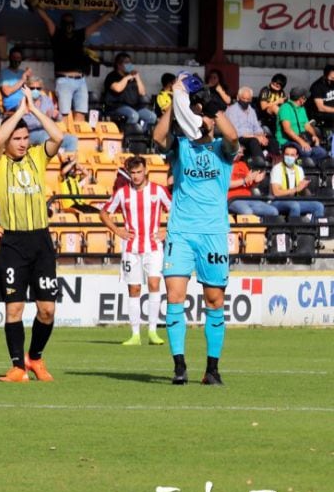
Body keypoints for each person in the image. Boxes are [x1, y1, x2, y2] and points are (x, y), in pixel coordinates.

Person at [152, 75, 238, 385]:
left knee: (214, 300)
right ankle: (179, 366)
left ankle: (212, 369)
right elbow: (158, 136)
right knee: (175, 297)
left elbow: (234, 135)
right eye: (198, 114)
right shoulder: (182, 146)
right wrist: (176, 101)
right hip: (181, 232)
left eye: (206, 116)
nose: (203, 121)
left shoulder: (221, 150)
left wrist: (213, 108)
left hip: (213, 233)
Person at [0, 90, 65, 383]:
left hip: (41, 242)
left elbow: (57, 137)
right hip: (13, 244)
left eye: (24, 138)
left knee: (46, 310)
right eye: (16, 139)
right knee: (14, 307)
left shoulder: (37, 156)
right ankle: (18, 366)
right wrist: (19, 112)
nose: (22, 143)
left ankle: (35, 357)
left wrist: (35, 111)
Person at [98, 155, 171, 345]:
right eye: (133, 173)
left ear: (145, 170)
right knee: (134, 288)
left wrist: (168, 230)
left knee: (155, 285)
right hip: (131, 248)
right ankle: (135, 334)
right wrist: (117, 230)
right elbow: (104, 213)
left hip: (153, 247)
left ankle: (153, 332)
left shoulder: (158, 190)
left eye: (139, 172)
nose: (137, 176)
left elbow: (177, 210)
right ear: (128, 173)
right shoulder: (122, 193)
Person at [32, 4, 113, 124]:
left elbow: (97, 24)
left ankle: (77, 140)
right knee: (64, 115)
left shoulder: (79, 35)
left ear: (74, 24)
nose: (69, 25)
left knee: (80, 115)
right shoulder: (57, 34)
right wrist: (36, 6)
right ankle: (65, 141)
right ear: (62, 23)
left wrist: (111, 13)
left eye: (71, 22)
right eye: (66, 22)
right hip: (64, 80)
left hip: (81, 81)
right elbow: (46, 19)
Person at [269, 144, 325, 219]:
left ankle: (313, 229)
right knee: (294, 205)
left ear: (296, 156)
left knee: (318, 206)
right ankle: (293, 229)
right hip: (277, 201)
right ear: (283, 155)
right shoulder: (277, 169)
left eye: (292, 155)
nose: (289, 157)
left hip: (295, 200)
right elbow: (276, 193)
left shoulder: (299, 169)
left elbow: (302, 191)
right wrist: (296, 189)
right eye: (287, 154)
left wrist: (305, 188)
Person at [24, 77, 78, 153]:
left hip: (48, 132)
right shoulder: (23, 102)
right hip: (32, 133)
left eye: (38, 88)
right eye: (32, 88)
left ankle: (67, 161)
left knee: (72, 139)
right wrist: (44, 119)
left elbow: (59, 118)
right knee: (48, 138)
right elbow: (26, 124)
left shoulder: (46, 100)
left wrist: (56, 115)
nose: (35, 90)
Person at [103, 52, 156, 128]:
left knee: (152, 116)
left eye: (130, 63)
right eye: (126, 63)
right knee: (133, 115)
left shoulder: (132, 77)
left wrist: (137, 78)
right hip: (117, 107)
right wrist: (127, 78)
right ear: (119, 65)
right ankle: (127, 136)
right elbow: (117, 89)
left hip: (135, 107)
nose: (130, 65)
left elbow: (142, 93)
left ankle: (140, 135)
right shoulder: (112, 76)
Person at [277, 87, 327, 162]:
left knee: (322, 152)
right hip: (288, 141)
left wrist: (314, 136)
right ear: (301, 99)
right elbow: (287, 129)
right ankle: (301, 164)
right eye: (305, 97)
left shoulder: (302, 109)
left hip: (303, 139)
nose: (306, 99)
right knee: (306, 152)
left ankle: (307, 165)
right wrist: (301, 142)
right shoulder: (285, 108)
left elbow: (307, 125)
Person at [225, 87, 269, 164]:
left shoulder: (251, 110)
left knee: (271, 141)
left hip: (252, 136)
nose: (245, 101)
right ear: (238, 98)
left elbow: (257, 127)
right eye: (243, 98)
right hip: (240, 138)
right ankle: (261, 165)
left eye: (248, 99)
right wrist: (255, 137)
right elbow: (236, 132)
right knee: (253, 141)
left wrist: (262, 136)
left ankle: (275, 166)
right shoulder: (232, 110)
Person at [227, 150, 277, 217]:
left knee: (273, 211)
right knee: (247, 212)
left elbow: (251, 185)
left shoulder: (243, 165)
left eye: (241, 152)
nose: (241, 155)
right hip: (232, 199)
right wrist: (244, 180)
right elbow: (226, 184)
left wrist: (256, 181)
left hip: (248, 198)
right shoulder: (223, 165)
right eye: (239, 152)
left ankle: (266, 227)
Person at [0, 47, 32, 112]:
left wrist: (29, 78)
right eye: (14, 58)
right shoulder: (3, 73)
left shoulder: (22, 73)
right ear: (10, 58)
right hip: (13, 106)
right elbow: (7, 92)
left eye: (18, 58)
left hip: (26, 103)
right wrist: (22, 80)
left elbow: (30, 90)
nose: (16, 60)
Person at [308, 64, 334, 131]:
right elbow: (321, 108)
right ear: (325, 76)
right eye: (332, 78)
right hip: (320, 115)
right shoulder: (317, 86)